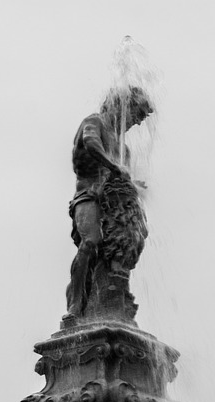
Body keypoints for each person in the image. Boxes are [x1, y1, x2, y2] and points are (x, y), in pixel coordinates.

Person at [66, 85, 153, 321]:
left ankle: (109, 301)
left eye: (135, 120)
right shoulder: (94, 122)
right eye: (133, 116)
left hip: (110, 204)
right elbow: (91, 143)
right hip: (88, 196)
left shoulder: (123, 148)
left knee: (120, 250)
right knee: (91, 241)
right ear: (119, 105)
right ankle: (74, 306)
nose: (132, 123)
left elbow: (122, 178)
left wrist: (135, 185)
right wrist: (113, 166)